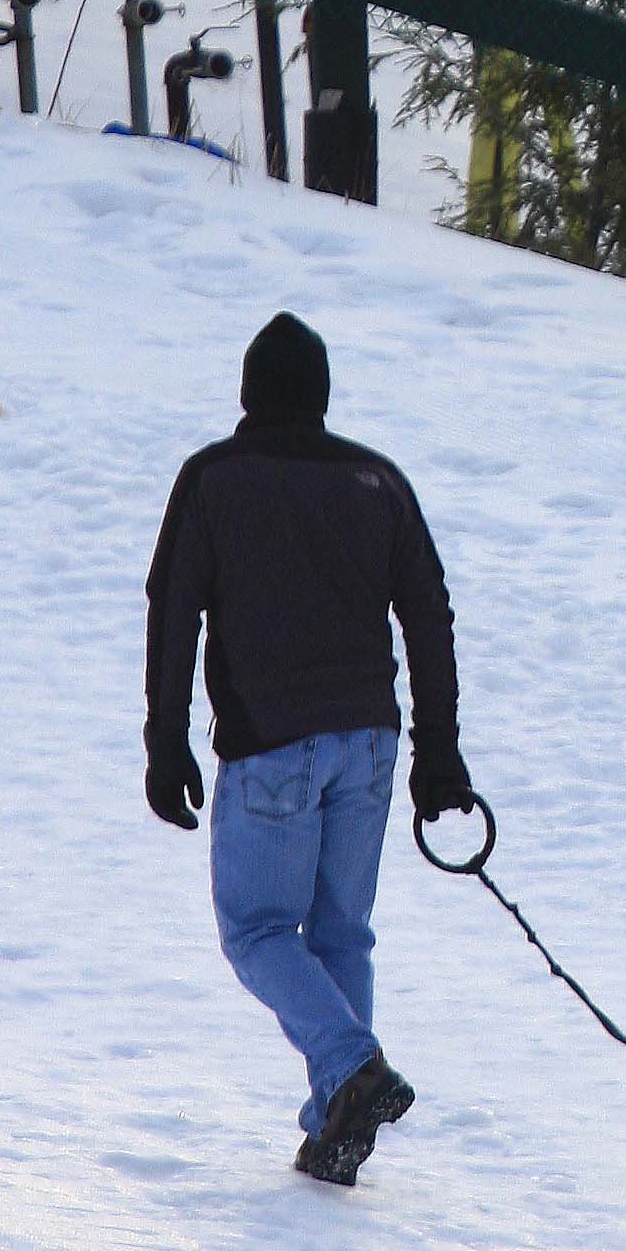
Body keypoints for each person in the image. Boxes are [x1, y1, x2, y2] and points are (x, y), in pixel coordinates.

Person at [144, 312, 477, 1187]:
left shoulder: (215, 478)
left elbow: (173, 606)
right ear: (322, 398)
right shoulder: (378, 480)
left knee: (257, 928)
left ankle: (351, 1068)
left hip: (272, 745)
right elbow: (430, 615)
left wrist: (166, 739)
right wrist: (437, 754)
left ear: (249, 395)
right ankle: (337, 1119)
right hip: (368, 742)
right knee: (339, 933)